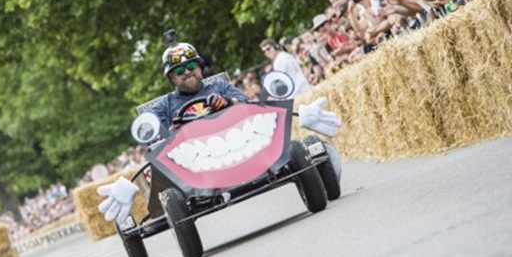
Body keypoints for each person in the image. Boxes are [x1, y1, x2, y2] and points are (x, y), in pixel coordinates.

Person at [96, 34, 342, 223]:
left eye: (191, 66)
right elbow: (153, 139)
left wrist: (227, 103)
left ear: (200, 67)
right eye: (179, 71)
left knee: (295, 148)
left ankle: (300, 166)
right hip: (198, 163)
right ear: (172, 78)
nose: (187, 72)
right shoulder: (165, 106)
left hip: (240, 145)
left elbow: (249, 106)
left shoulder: (221, 87)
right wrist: (174, 127)